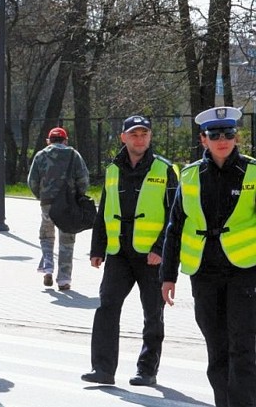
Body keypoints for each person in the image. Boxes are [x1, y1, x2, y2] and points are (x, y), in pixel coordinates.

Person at [161, 106, 256, 407]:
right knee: (217, 349)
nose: (222, 139)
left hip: (244, 273)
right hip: (204, 274)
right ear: (203, 139)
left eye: (228, 133)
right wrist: (167, 276)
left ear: (236, 137)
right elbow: (174, 228)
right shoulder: (189, 176)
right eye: (214, 134)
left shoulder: (252, 172)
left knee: (242, 347)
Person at [81, 115, 178, 386]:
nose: (140, 139)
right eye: (134, 134)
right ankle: (102, 369)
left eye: (144, 134)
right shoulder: (113, 169)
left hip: (151, 256)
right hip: (119, 254)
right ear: (123, 137)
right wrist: (97, 248)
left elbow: (175, 214)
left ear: (150, 137)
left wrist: (161, 248)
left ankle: (147, 370)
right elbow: (104, 211)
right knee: (107, 308)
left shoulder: (164, 169)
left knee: (152, 314)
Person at [27, 127, 89, 291]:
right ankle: (64, 279)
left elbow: (32, 180)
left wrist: (41, 197)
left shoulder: (40, 155)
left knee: (46, 235)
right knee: (67, 240)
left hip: (47, 203)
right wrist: (79, 195)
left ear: (48, 141)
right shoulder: (74, 155)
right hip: (68, 204)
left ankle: (48, 266)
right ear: (65, 140)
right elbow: (83, 179)